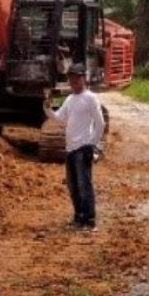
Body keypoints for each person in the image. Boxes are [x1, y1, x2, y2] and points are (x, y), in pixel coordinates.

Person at [44, 63, 105, 231]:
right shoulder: (70, 100)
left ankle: (89, 220)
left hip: (82, 148)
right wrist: (47, 109)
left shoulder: (90, 98)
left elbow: (100, 124)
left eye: (76, 79)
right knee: (73, 186)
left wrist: (91, 144)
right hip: (70, 149)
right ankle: (79, 217)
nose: (73, 83)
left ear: (82, 78)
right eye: (70, 79)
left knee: (85, 184)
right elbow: (60, 118)